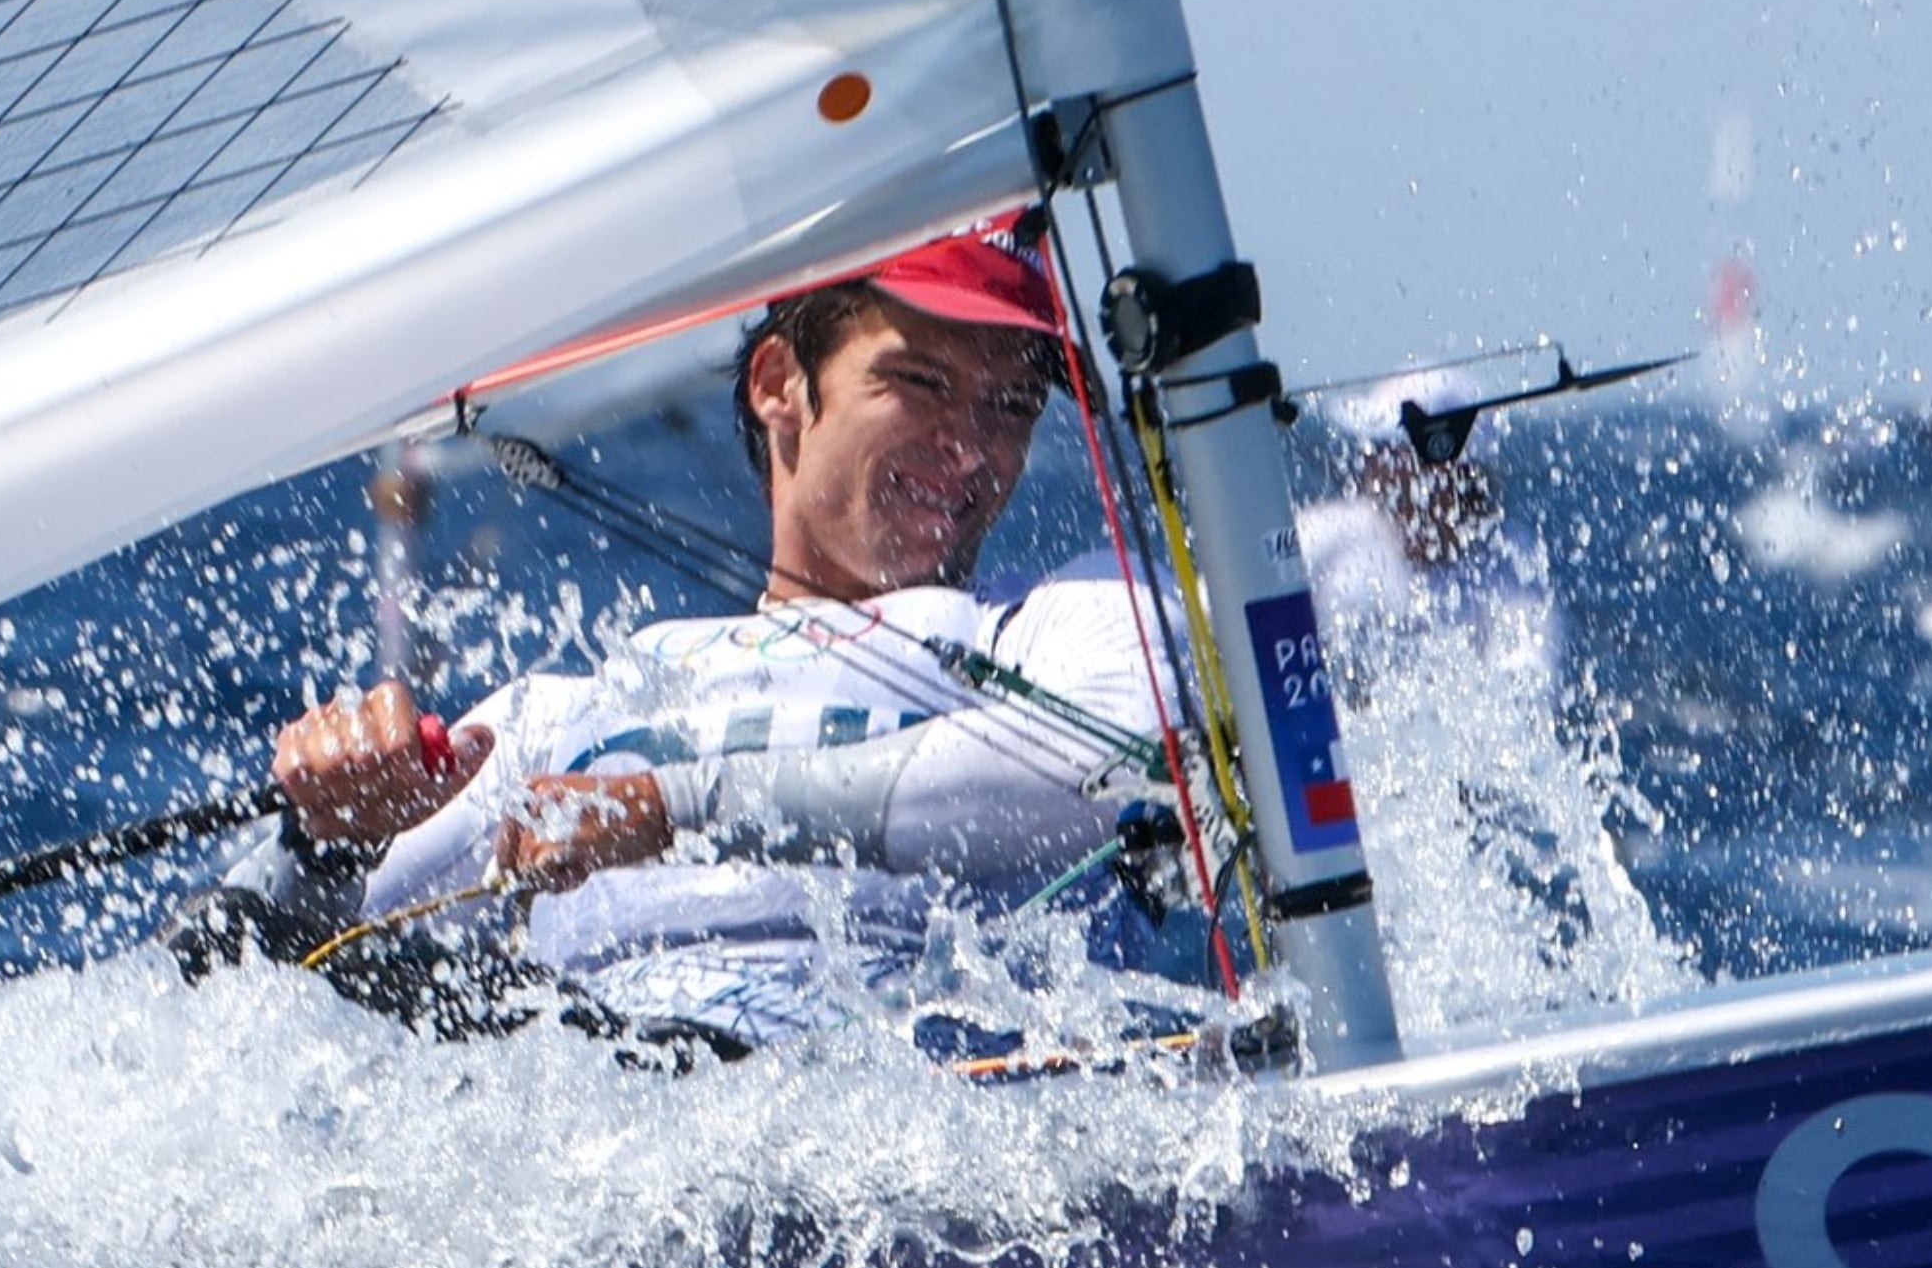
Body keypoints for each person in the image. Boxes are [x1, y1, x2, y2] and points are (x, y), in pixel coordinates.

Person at [175, 214, 1179, 1058]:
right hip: (605, 1100)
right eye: (919, 383)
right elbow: (227, 982)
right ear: (778, 383)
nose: (970, 446)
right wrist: (324, 840)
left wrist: (676, 806)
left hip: (911, 1119)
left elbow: (1112, 764)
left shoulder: (1063, 624)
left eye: (1011, 406)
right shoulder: (562, 716)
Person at [1295, 373, 1561, 698]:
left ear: (1445, 464)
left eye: (1386, 447)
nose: (1369, 460)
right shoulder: (1324, 535)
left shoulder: (1513, 560)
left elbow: (1525, 683)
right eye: (1371, 448)